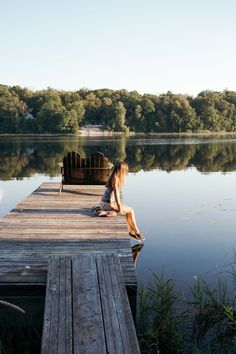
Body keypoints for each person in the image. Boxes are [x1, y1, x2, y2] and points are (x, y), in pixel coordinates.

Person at [100, 161, 145, 242]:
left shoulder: (113, 176)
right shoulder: (115, 178)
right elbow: (117, 193)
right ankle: (136, 232)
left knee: (128, 211)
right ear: (122, 171)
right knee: (130, 210)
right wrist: (120, 207)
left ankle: (131, 232)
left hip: (106, 203)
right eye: (125, 171)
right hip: (107, 204)